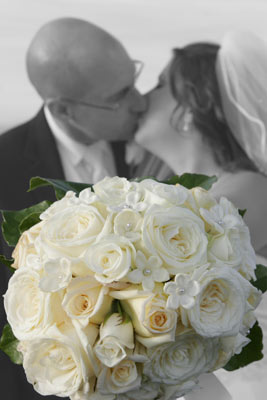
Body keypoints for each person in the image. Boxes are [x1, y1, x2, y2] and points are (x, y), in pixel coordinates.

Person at [0, 17, 146, 400]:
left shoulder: (150, 149)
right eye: (121, 94)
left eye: (135, 78)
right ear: (65, 110)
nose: (140, 102)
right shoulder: (5, 167)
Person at [135, 31, 267, 400]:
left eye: (160, 85)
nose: (143, 98)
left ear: (191, 108)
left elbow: (165, 281)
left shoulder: (249, 189)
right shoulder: (169, 195)